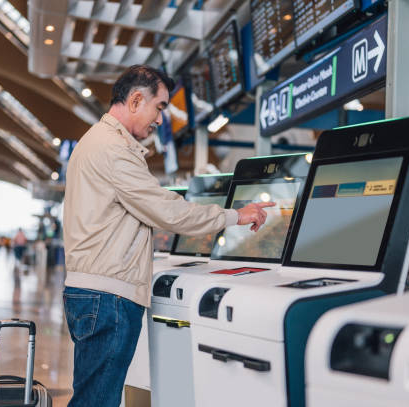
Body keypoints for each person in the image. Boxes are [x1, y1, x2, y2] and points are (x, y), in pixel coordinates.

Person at [62, 65, 275, 407]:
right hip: (108, 296)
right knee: (96, 401)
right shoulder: (113, 150)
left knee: (92, 396)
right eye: (160, 107)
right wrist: (237, 215)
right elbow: (170, 212)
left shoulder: (96, 142)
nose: (161, 119)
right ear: (135, 100)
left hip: (94, 291)